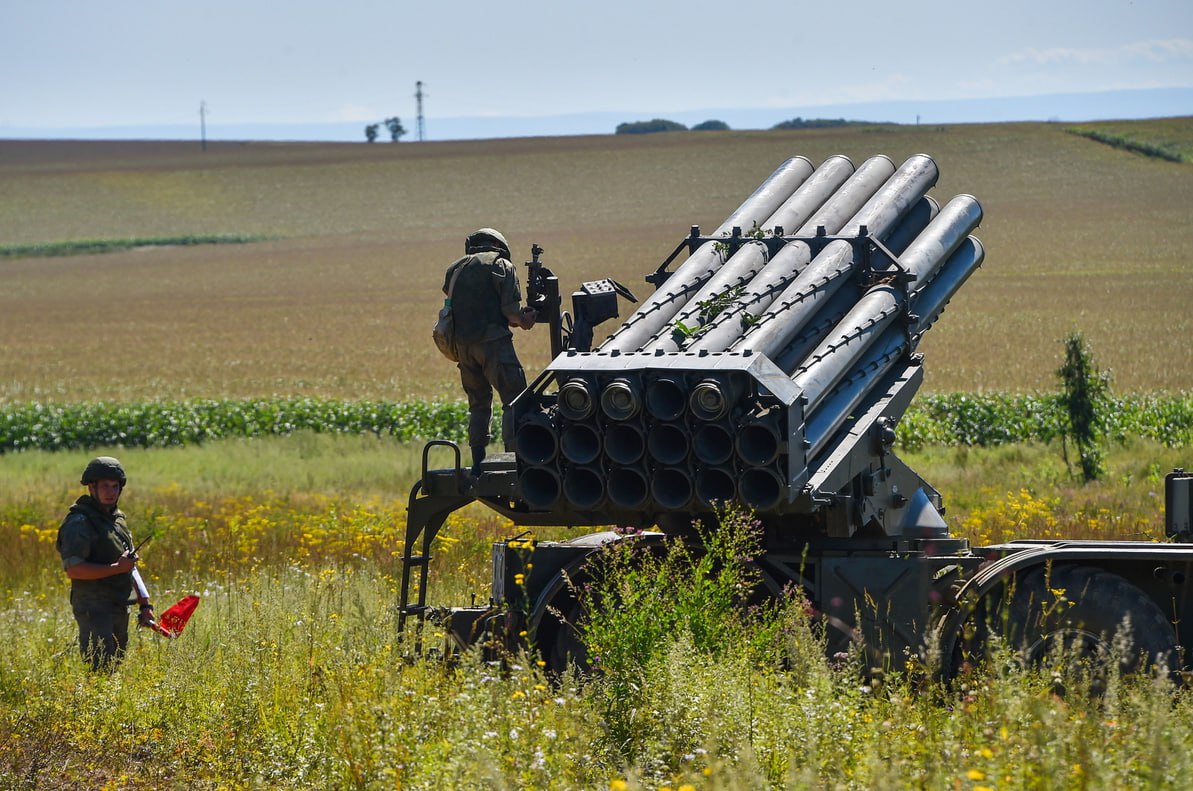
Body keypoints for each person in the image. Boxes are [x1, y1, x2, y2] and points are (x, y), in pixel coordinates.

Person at [443, 228, 537, 474]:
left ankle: (477, 463)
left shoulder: (455, 269)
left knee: (478, 404)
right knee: (514, 400)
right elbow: (511, 312)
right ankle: (516, 461)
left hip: (463, 348)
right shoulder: (501, 265)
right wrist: (525, 320)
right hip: (494, 344)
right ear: (499, 246)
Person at [55, 456, 154, 670]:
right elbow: (74, 569)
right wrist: (115, 569)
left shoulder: (117, 521)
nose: (111, 492)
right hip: (94, 608)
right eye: (105, 486)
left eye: (115, 486)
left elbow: (130, 564)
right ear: (92, 488)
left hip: (119, 605)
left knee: (114, 668)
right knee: (99, 671)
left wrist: (145, 603)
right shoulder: (79, 522)